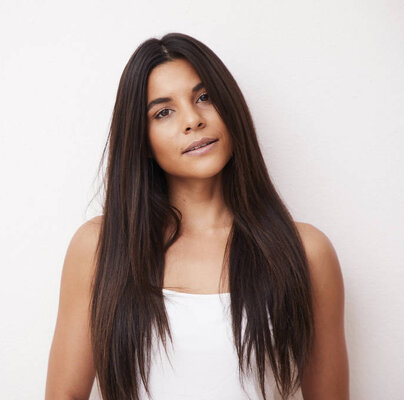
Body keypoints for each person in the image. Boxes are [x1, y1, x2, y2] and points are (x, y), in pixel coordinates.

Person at [45, 32, 349, 400]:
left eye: (204, 97)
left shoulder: (306, 252)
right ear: (141, 140)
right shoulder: (99, 248)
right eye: (164, 112)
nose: (192, 120)